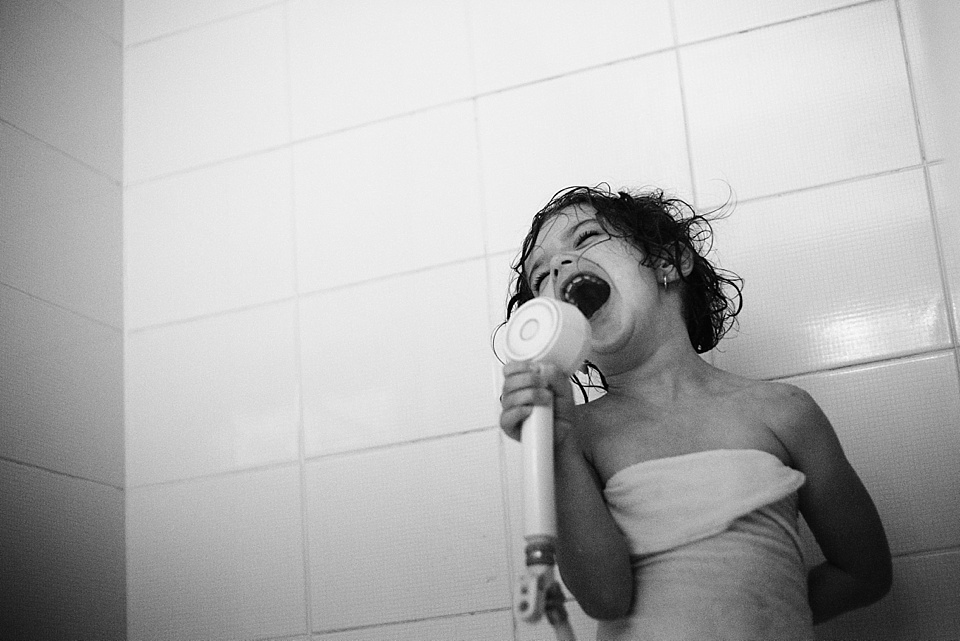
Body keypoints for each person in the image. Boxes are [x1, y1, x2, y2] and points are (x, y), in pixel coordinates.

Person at [498, 185, 892, 640]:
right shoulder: (577, 436)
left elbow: (865, 574)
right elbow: (605, 600)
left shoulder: (784, 412)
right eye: (539, 276)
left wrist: (763, 616)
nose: (558, 268)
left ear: (667, 262)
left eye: (585, 238)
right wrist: (557, 445)